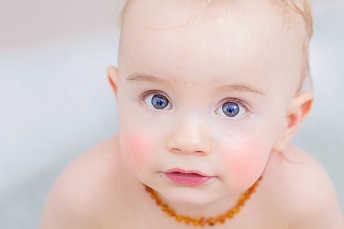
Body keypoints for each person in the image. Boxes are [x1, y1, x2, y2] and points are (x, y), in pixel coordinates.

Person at [40, 0, 344, 228]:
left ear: (287, 124)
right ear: (118, 98)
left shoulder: (303, 197)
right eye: (158, 100)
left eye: (231, 108)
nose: (187, 141)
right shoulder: (85, 194)